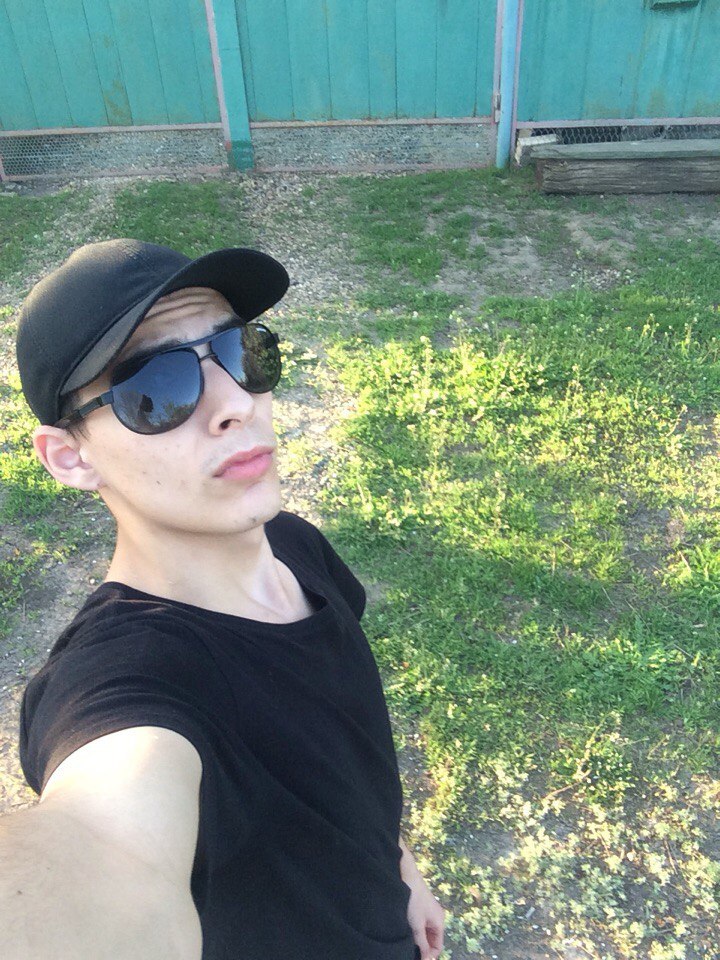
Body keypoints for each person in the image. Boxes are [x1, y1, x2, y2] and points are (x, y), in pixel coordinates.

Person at [1, 239, 446, 960]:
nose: (238, 403)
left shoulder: (296, 547)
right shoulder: (124, 686)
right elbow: (103, 851)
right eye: (157, 388)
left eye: (242, 352)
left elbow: (346, 765)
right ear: (71, 457)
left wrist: (398, 865)